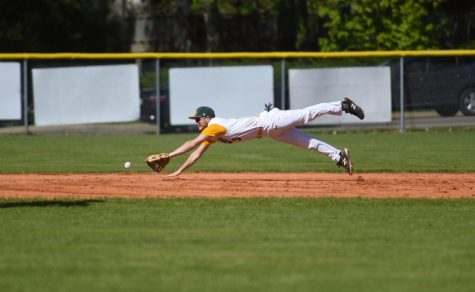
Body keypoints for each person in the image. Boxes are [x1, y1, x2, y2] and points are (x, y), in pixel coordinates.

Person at [166, 97, 364, 177]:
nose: (196, 122)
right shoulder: (213, 132)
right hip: (271, 131)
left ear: (207, 117)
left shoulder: (213, 126)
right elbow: (196, 154)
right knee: (308, 143)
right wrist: (178, 171)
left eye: (198, 119)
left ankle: (342, 105)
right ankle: (339, 156)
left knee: (306, 115)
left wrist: (168, 155)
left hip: (270, 121)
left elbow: (191, 144)